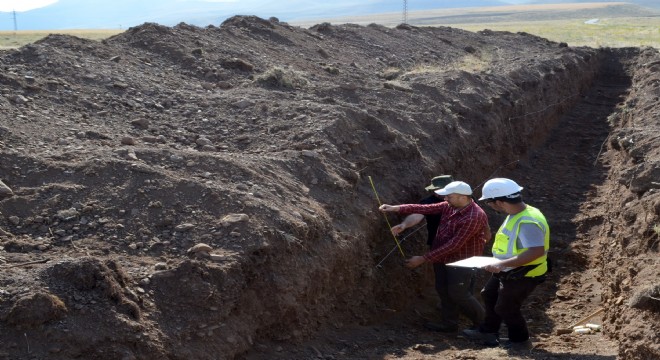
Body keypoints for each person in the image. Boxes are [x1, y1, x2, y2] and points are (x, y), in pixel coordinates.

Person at [380, 181, 489, 332]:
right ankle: (449, 324)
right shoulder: (449, 206)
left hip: (463, 261)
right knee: (443, 290)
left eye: (449, 196)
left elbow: (455, 245)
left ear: (462, 197)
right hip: (441, 257)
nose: (445, 199)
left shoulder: (474, 216)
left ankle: (485, 326)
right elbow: (425, 208)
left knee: (460, 293)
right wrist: (396, 208)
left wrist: (423, 258)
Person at [462, 178, 550, 350]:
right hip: (510, 268)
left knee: (506, 307)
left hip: (525, 272)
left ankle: (521, 341)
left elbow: (536, 251)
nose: (489, 205)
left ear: (500, 201)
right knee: (489, 293)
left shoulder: (527, 222)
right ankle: (488, 331)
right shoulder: (518, 214)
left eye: (489, 202)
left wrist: (502, 264)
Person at [390, 175, 454, 248]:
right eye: (435, 190)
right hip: (439, 244)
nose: (435, 192)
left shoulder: (464, 200)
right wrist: (404, 224)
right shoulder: (429, 201)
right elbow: (417, 214)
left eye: (438, 189)